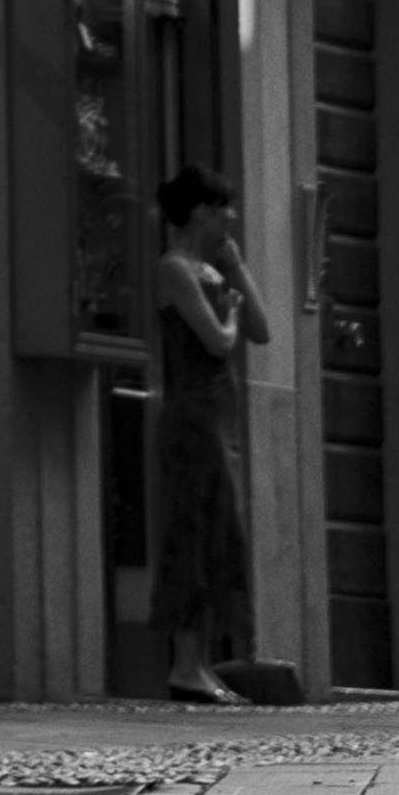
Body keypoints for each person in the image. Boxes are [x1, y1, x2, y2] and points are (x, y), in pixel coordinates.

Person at [150, 161, 268, 705]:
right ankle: (183, 664)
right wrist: (233, 316)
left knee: (221, 530)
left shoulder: (214, 269)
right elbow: (220, 341)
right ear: (199, 212)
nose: (232, 217)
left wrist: (238, 270)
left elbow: (263, 331)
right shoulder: (175, 269)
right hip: (192, 416)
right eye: (223, 208)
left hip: (220, 416)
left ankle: (201, 664)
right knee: (190, 531)